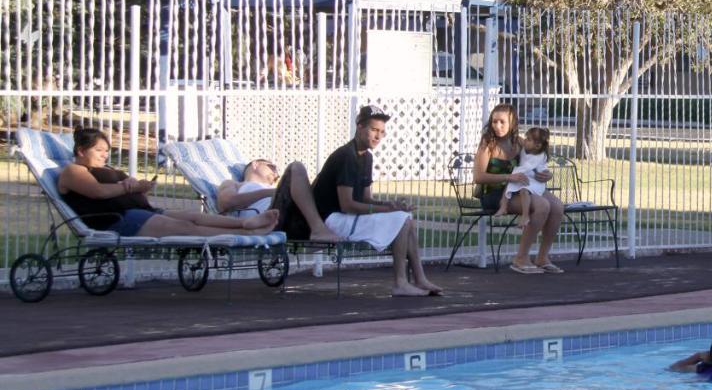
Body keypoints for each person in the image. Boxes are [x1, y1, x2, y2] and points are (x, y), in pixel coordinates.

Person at [312, 105, 442, 297]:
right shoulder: (347, 156)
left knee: (406, 218)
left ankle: (419, 278)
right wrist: (387, 211)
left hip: (345, 216)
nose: (378, 136)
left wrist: (390, 206)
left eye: (382, 132)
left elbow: (366, 199)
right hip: (332, 219)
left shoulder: (366, 157)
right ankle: (400, 282)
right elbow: (347, 205)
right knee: (401, 220)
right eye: (374, 130)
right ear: (359, 126)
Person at [58, 127, 280, 238]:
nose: (104, 155)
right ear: (80, 150)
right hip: (117, 220)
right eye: (99, 151)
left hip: (140, 211)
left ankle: (246, 223)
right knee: (186, 228)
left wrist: (141, 188)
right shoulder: (73, 171)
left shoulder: (104, 169)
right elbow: (98, 193)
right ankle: (246, 234)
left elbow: (125, 190)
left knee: (195, 216)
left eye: (107, 151)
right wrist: (129, 186)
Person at [472, 104, 565, 275]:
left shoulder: (520, 142)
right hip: (495, 194)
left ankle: (542, 257)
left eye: (502, 122)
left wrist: (546, 174)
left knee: (557, 206)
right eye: (494, 122)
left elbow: (536, 162)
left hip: (520, 187)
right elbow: (478, 177)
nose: (497, 126)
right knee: (542, 206)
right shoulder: (488, 144)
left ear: (513, 123)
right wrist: (509, 177)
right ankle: (520, 258)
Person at [215, 159, 344, 243]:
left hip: (296, 219)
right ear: (256, 164)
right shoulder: (235, 184)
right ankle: (318, 230)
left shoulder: (276, 188)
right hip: (269, 219)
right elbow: (227, 202)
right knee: (297, 167)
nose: (276, 174)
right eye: (272, 167)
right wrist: (270, 192)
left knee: (326, 175)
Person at [495, 126, 551, 228]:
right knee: (510, 182)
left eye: (528, 139)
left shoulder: (540, 156)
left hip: (535, 181)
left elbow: (527, 167)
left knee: (524, 191)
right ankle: (503, 205)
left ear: (537, 145)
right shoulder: (526, 148)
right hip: (525, 176)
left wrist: (515, 173)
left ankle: (525, 216)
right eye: (526, 138)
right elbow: (517, 139)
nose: (525, 140)